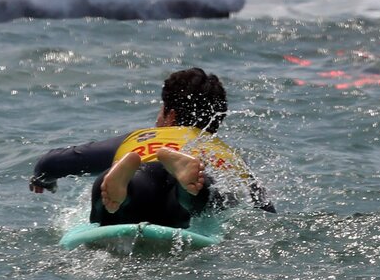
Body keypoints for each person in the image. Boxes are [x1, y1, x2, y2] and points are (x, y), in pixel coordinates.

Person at [28, 68, 274, 229]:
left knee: (118, 194)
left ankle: (122, 188)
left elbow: (50, 164)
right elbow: (265, 210)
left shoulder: (139, 139)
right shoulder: (222, 152)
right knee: (204, 193)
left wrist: (45, 180)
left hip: (140, 176)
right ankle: (186, 189)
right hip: (184, 200)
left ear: (170, 114)